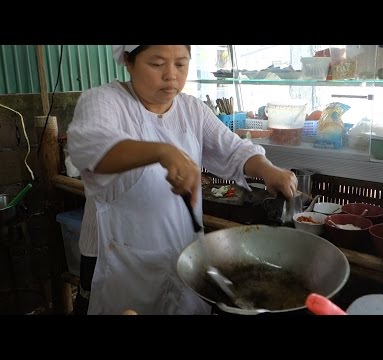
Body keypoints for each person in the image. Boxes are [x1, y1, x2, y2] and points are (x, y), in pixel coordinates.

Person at [67, 45, 298, 315]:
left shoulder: (191, 109)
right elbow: (91, 147)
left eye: (181, 64)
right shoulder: (103, 101)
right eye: (157, 64)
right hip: (120, 262)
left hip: (184, 258)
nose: (171, 76)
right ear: (129, 62)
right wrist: (161, 151)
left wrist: (267, 169)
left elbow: (234, 150)